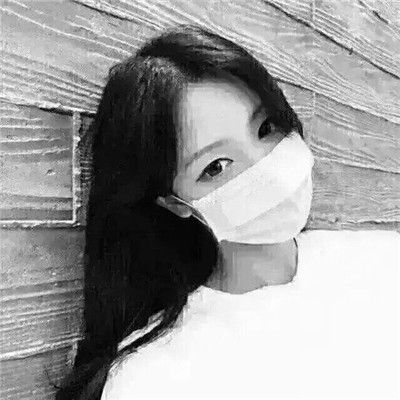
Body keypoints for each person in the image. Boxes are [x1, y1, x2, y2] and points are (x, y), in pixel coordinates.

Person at [55, 25, 400, 400]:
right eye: (216, 167)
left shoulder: (382, 259)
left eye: (266, 128)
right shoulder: (154, 378)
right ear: (175, 203)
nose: (267, 168)